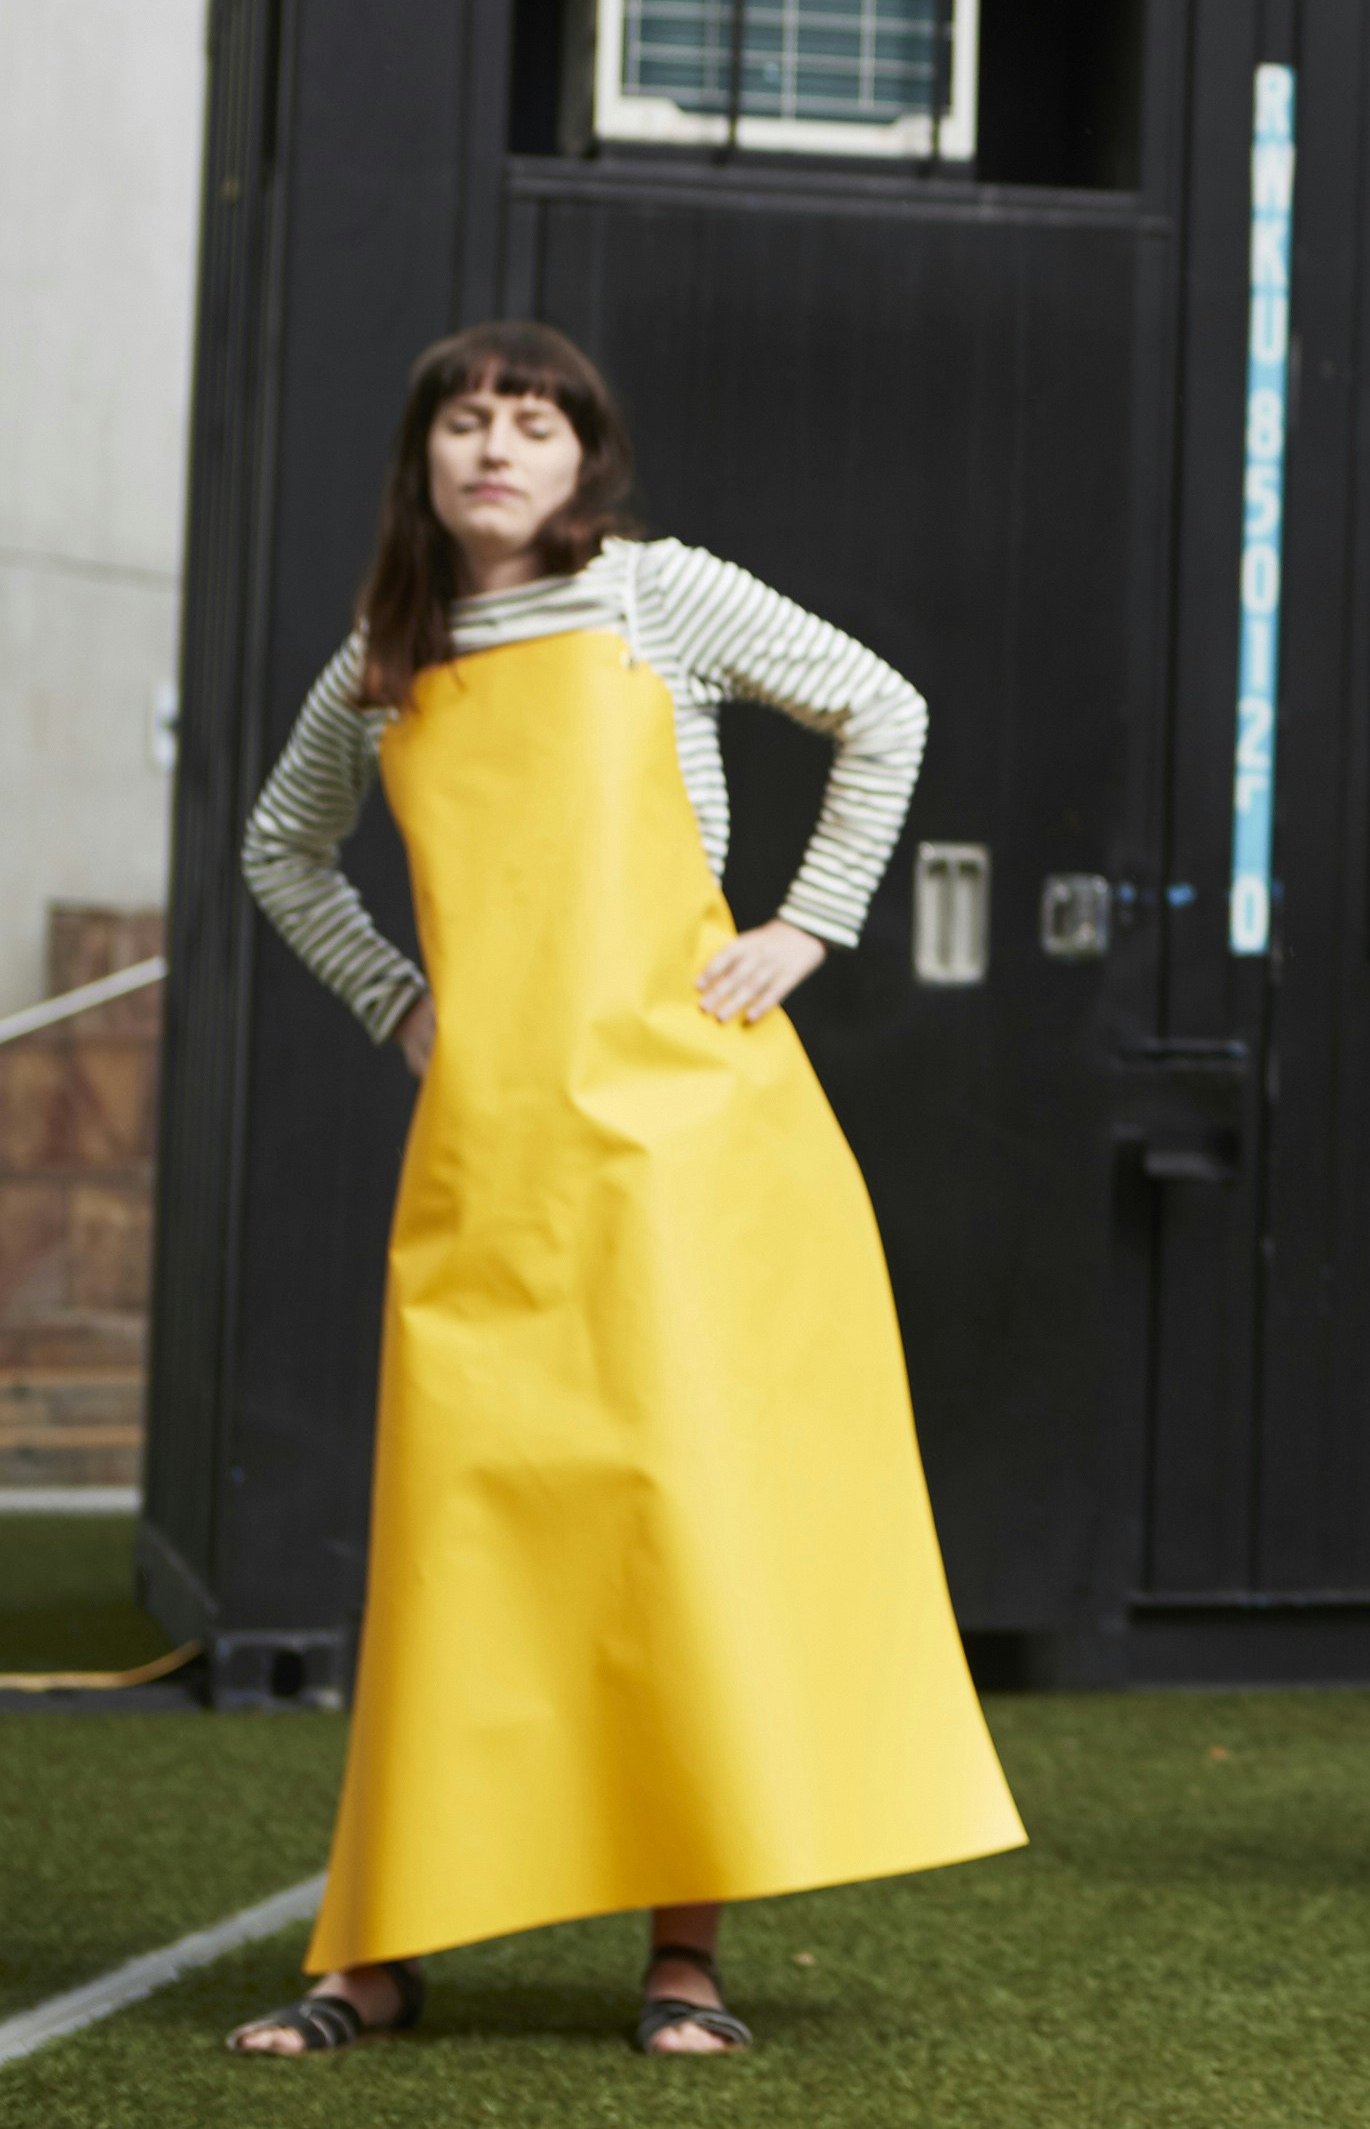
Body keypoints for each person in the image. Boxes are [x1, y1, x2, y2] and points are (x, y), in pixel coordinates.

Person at [226, 324, 1013, 2057]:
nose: (495, 449)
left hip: (689, 1154)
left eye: (533, 423)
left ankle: (682, 1961)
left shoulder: (660, 597)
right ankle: (376, 1952)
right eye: (463, 420)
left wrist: (808, 926)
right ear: (422, 456)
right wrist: (395, 998)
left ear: (587, 461)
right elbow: (279, 850)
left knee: (678, 1529)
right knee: (460, 1541)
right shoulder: (380, 657)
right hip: (487, 1164)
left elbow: (885, 707)